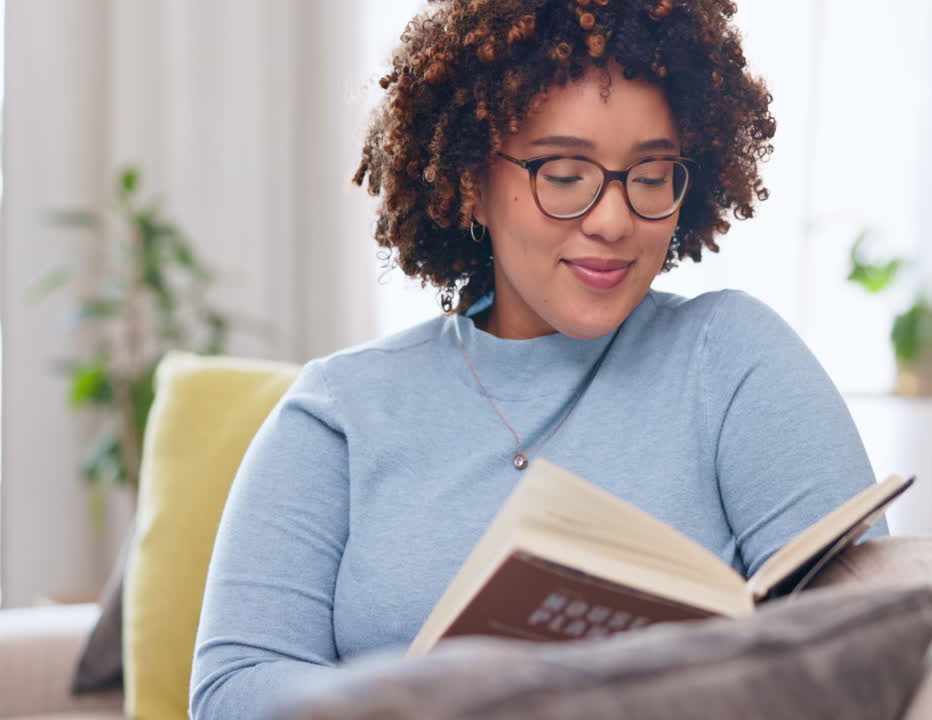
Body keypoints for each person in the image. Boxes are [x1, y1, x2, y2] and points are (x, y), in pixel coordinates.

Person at [189, 1, 883, 717]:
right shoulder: (338, 411)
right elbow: (232, 687)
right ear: (472, 181)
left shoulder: (734, 360)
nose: (613, 221)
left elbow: (867, 637)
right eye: (564, 172)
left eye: (650, 174)